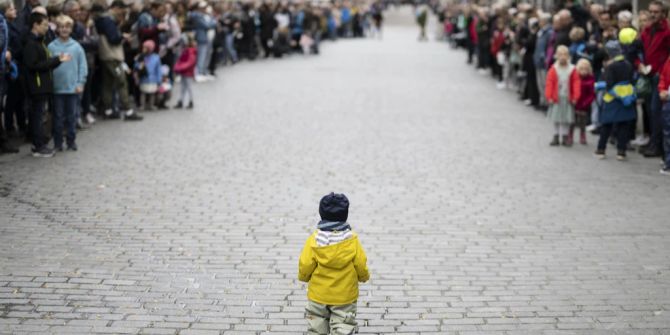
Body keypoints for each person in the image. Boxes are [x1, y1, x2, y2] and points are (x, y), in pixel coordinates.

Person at [298, 193, 369, 335]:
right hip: (345, 295)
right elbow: (360, 263)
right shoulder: (352, 239)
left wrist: (304, 277)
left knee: (317, 323)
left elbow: (305, 263)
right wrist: (363, 276)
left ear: (321, 214)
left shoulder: (315, 239)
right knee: (343, 324)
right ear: (345, 215)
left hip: (319, 294)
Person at [23, 12, 71, 157]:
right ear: (35, 25)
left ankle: (38, 144)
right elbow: (34, 65)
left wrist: (57, 60)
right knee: (37, 117)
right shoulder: (31, 43)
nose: (46, 28)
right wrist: (56, 60)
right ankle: (38, 146)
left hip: (42, 85)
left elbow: (45, 64)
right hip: (37, 86)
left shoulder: (39, 41)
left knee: (39, 116)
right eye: (44, 25)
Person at [93, 0, 142, 120]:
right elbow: (113, 39)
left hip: (106, 55)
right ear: (115, 8)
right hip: (112, 56)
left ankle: (108, 110)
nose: (122, 13)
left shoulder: (102, 20)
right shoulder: (107, 20)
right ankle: (128, 110)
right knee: (121, 82)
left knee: (108, 83)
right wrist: (122, 36)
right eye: (122, 10)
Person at [48, 14, 87, 151]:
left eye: (67, 27)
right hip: (57, 88)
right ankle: (58, 142)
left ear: (71, 29)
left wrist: (80, 82)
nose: (64, 29)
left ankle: (71, 141)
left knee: (71, 117)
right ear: (57, 29)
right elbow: (48, 66)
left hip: (72, 88)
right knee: (57, 117)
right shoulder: (51, 47)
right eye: (61, 27)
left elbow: (83, 66)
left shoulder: (76, 47)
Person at [594, 41, 636, 160]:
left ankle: (601, 150)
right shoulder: (628, 64)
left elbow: (609, 85)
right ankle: (621, 152)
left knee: (606, 124)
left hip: (613, 98)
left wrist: (601, 85)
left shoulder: (611, 66)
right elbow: (631, 80)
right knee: (623, 125)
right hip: (626, 98)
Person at [641, 0, 670, 158]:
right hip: (647, 74)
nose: (652, 14)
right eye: (651, 11)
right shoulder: (647, 29)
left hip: (660, 77)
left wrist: (661, 72)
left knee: (656, 110)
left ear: (663, 14)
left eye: (656, 12)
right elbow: (642, 49)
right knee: (650, 111)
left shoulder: (667, 31)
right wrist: (639, 64)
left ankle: (657, 146)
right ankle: (653, 142)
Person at [545, 45, 581, 147]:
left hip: (567, 98)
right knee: (556, 118)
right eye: (560, 54)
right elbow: (549, 83)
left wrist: (575, 97)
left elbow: (576, 83)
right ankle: (556, 135)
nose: (562, 57)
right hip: (556, 98)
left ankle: (565, 136)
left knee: (566, 118)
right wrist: (549, 96)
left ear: (568, 56)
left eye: (565, 54)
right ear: (556, 56)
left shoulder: (572, 69)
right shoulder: (553, 69)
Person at [134, 39, 161, 111]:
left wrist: (159, 80)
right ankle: (142, 105)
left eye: (145, 48)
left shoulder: (156, 57)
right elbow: (136, 67)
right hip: (143, 78)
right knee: (143, 92)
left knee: (152, 93)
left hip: (153, 79)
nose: (144, 49)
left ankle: (151, 105)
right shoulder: (141, 57)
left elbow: (158, 70)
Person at [574, 59, 595, 145]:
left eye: (585, 69)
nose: (583, 71)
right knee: (572, 121)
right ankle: (570, 134)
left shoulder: (590, 79)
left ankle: (582, 135)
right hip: (575, 102)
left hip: (584, 104)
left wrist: (586, 103)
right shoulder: (575, 78)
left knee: (583, 122)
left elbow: (592, 94)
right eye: (581, 69)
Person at [173, 34, 196, 109]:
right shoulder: (185, 50)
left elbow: (190, 62)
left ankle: (191, 101)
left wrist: (180, 67)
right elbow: (180, 60)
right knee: (183, 87)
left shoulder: (191, 51)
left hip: (188, 72)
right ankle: (181, 101)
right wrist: (177, 67)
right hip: (184, 72)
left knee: (189, 87)